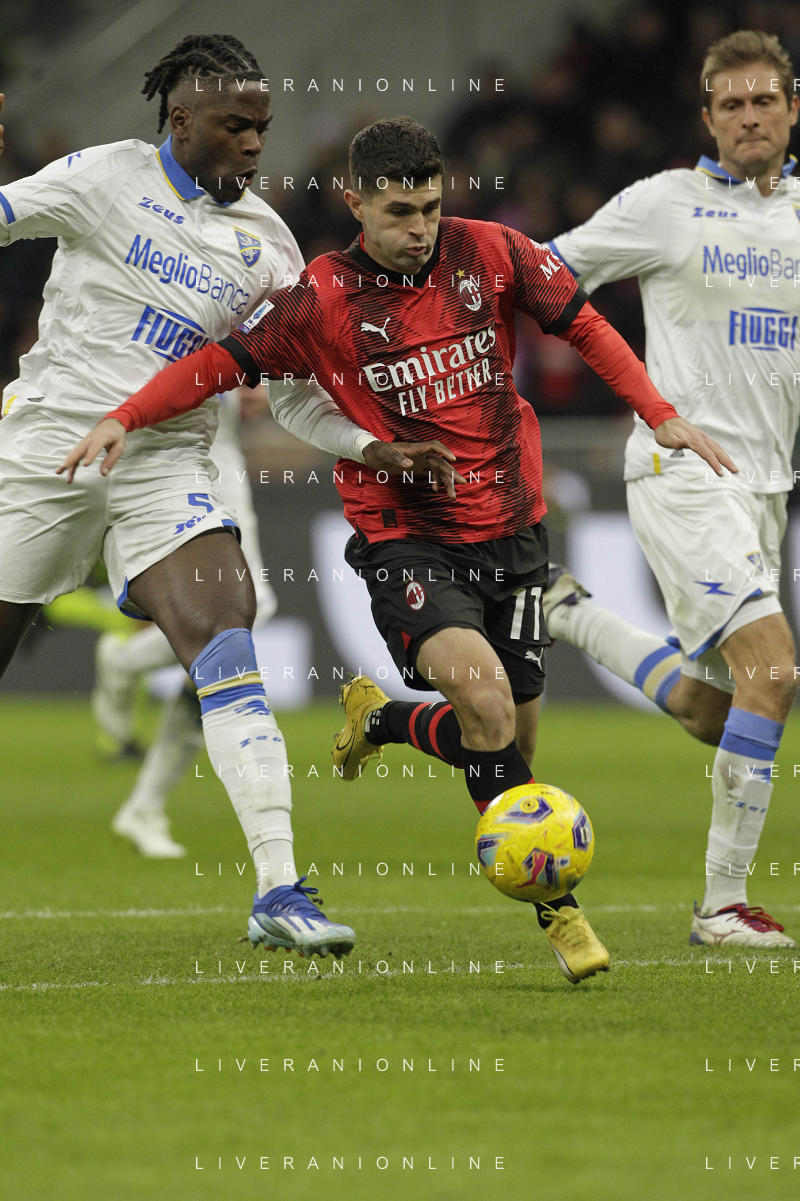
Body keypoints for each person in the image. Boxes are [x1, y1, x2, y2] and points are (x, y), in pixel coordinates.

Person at [60, 116, 734, 982]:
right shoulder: (320, 296)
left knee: (507, 737)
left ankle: (380, 719)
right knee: (487, 706)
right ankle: (560, 912)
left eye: (430, 208)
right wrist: (124, 415)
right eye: (400, 212)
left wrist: (658, 412)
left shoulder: (493, 252)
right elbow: (216, 365)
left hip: (515, 527)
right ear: (355, 203)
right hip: (407, 537)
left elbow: (585, 325)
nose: (420, 228)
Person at [0, 35, 455, 959]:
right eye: (235, 125)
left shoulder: (270, 247)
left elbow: (293, 392)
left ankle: (279, 889)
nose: (253, 143)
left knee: (227, 631)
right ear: (181, 120)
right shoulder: (103, 177)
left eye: (263, 128)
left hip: (166, 463)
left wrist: (371, 444)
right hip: (48, 450)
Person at [539, 30, 800, 949]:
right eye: (731, 105)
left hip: (766, 488)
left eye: (764, 100)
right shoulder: (664, 204)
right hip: (681, 469)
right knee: (775, 669)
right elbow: (543, 273)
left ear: (793, 109)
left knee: (712, 709)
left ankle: (564, 610)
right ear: (707, 118)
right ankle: (722, 907)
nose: (749, 117)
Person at [105, 385, 277, 858]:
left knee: (234, 632)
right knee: (236, 622)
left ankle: (145, 805)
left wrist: (256, 385)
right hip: (163, 462)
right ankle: (124, 663)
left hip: (221, 459)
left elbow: (251, 370)